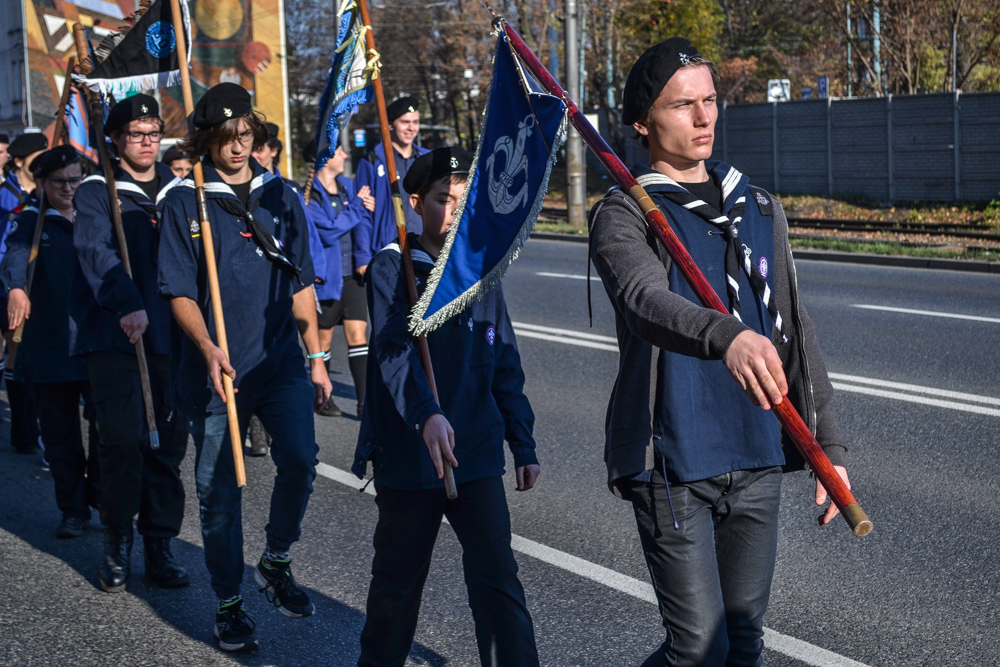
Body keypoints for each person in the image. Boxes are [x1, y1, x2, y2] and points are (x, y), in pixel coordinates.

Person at [588, 38, 852, 667]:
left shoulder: (757, 207)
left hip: (756, 449)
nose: (704, 117)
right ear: (643, 123)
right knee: (698, 651)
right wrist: (725, 335)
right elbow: (644, 301)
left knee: (743, 642)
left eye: (709, 100)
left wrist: (829, 448)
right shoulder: (626, 213)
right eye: (683, 105)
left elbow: (794, 330)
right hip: (673, 460)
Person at [158, 82, 332, 653]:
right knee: (218, 493)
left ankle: (276, 559)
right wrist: (208, 347)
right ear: (207, 139)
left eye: (246, 135)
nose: (238, 147)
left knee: (301, 461)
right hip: (216, 373)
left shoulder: (281, 195)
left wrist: (317, 358)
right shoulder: (184, 201)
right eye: (227, 137)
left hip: (279, 361)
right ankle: (229, 603)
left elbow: (300, 281)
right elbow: (179, 292)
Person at [352, 147, 541, 667]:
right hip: (412, 457)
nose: (455, 211)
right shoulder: (393, 266)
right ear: (415, 202)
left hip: (475, 451)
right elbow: (393, 354)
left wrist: (522, 442)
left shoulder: (480, 268)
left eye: (464, 199)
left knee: (498, 583)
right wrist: (427, 414)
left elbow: (503, 361)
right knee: (396, 590)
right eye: (443, 199)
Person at [72, 94, 190, 593]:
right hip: (117, 333)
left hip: (172, 333)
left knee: (167, 445)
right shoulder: (97, 190)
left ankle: (159, 543)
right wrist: (126, 302)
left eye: (153, 133)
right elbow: (94, 251)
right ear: (117, 140)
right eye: (137, 134)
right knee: (122, 440)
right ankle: (116, 538)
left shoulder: (180, 190)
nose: (147, 142)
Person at [0, 145, 102, 537]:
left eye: (75, 180)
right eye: (59, 182)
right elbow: (15, 254)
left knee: (108, 430)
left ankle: (99, 491)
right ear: (42, 183)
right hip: (50, 344)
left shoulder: (97, 216)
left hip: (96, 340)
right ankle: (73, 510)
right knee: (60, 436)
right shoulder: (31, 220)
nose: (69, 188)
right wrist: (15, 287)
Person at [302, 139, 374, 418]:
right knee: (324, 340)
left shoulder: (348, 187)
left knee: (358, 335)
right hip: (326, 279)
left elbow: (363, 224)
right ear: (323, 159)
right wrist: (357, 207)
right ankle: (325, 397)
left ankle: (364, 402)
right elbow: (328, 232)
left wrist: (364, 257)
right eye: (338, 151)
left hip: (353, 276)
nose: (344, 155)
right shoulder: (309, 196)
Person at [0, 132, 47, 455]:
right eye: (36, 155)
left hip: (38, 282)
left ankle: (32, 425)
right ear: (19, 161)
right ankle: (22, 429)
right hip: (7, 283)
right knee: (14, 349)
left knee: (30, 351)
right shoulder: (5, 194)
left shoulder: (46, 192)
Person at [354, 96, 428, 274]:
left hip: (424, 250)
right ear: (389, 125)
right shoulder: (372, 161)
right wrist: (363, 257)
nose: (411, 128)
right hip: (387, 253)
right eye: (405, 122)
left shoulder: (427, 159)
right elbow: (362, 214)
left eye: (415, 122)